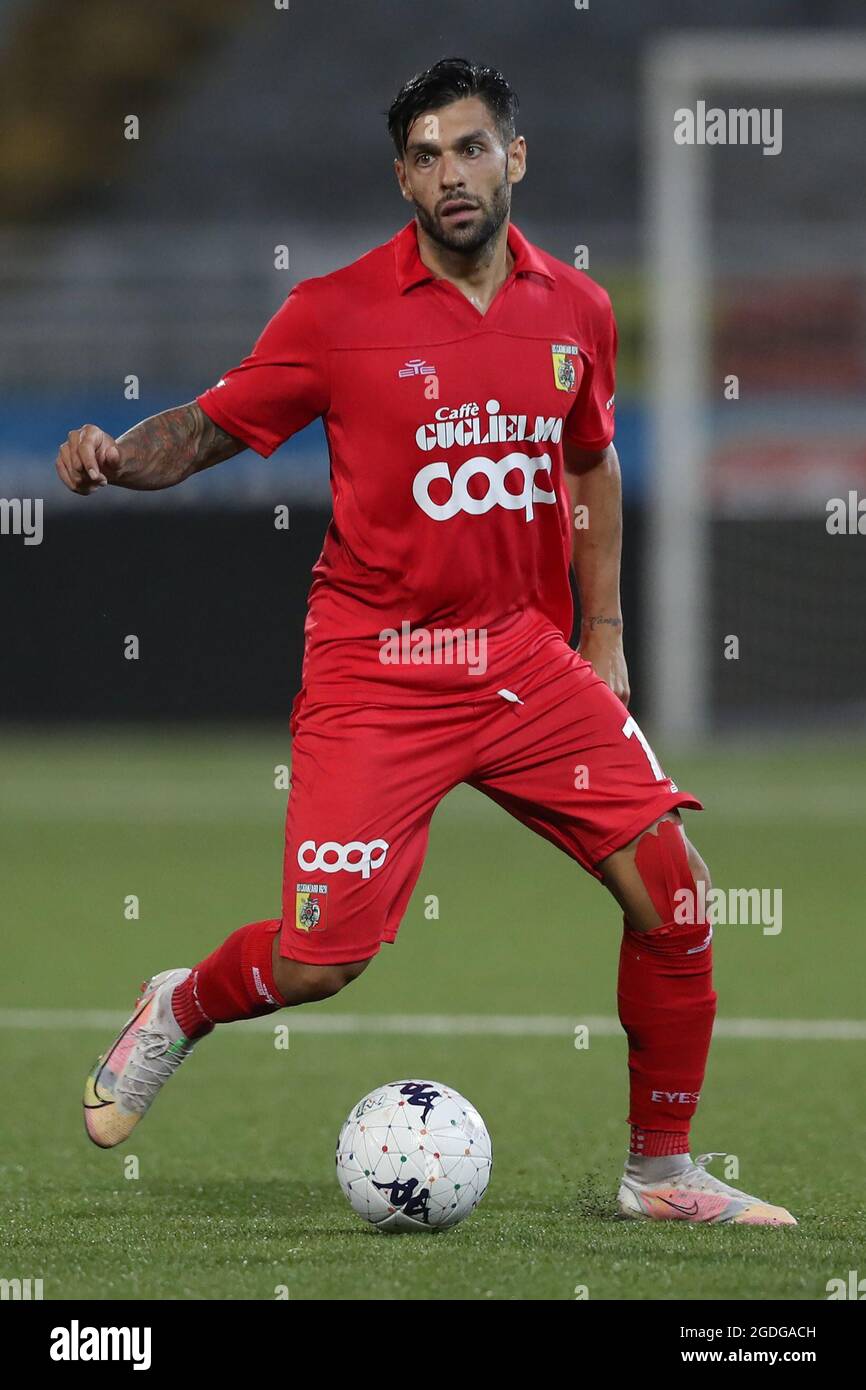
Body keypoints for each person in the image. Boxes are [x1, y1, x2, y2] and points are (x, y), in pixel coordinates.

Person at [58, 57, 794, 1225]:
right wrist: (117, 455)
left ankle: (658, 1173)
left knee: (678, 898)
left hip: (519, 658)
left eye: (468, 146)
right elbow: (205, 426)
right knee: (321, 960)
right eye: (423, 155)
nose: (448, 172)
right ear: (401, 180)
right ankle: (183, 1005)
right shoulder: (334, 314)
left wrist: (599, 631)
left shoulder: (577, 310)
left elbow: (590, 460)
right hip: (378, 666)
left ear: (514, 157)